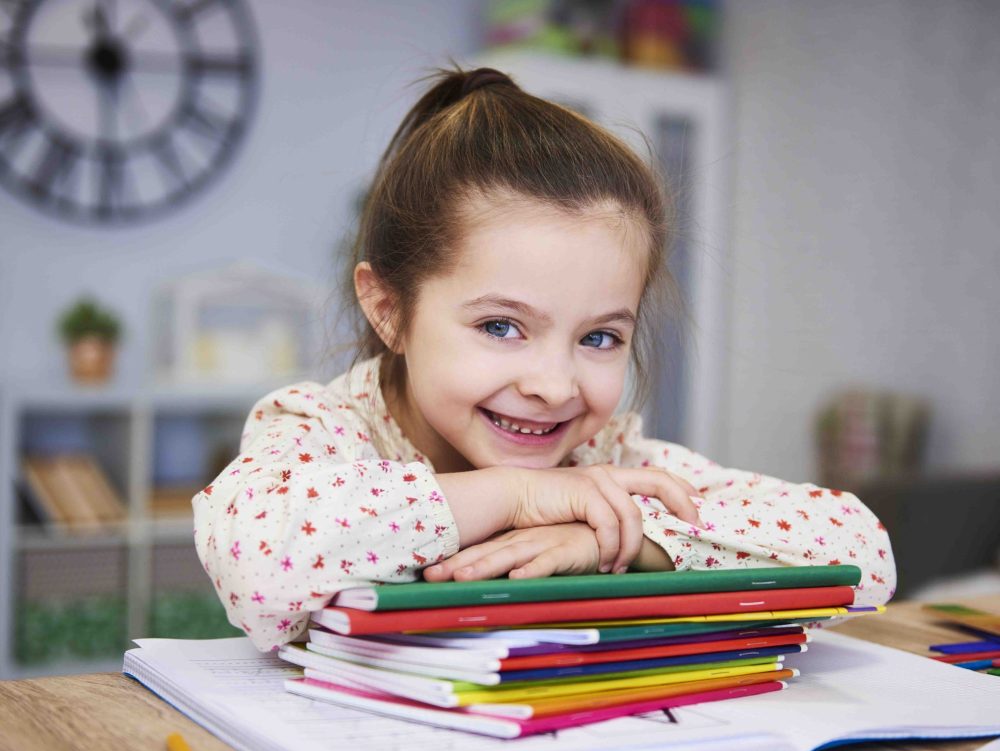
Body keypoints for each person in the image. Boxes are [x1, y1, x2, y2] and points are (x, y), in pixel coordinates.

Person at [193, 65, 896, 653]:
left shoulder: (609, 466)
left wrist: (627, 537)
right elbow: (255, 562)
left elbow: (864, 557)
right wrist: (517, 496)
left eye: (599, 339)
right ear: (389, 309)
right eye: (501, 326)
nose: (554, 386)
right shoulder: (324, 428)